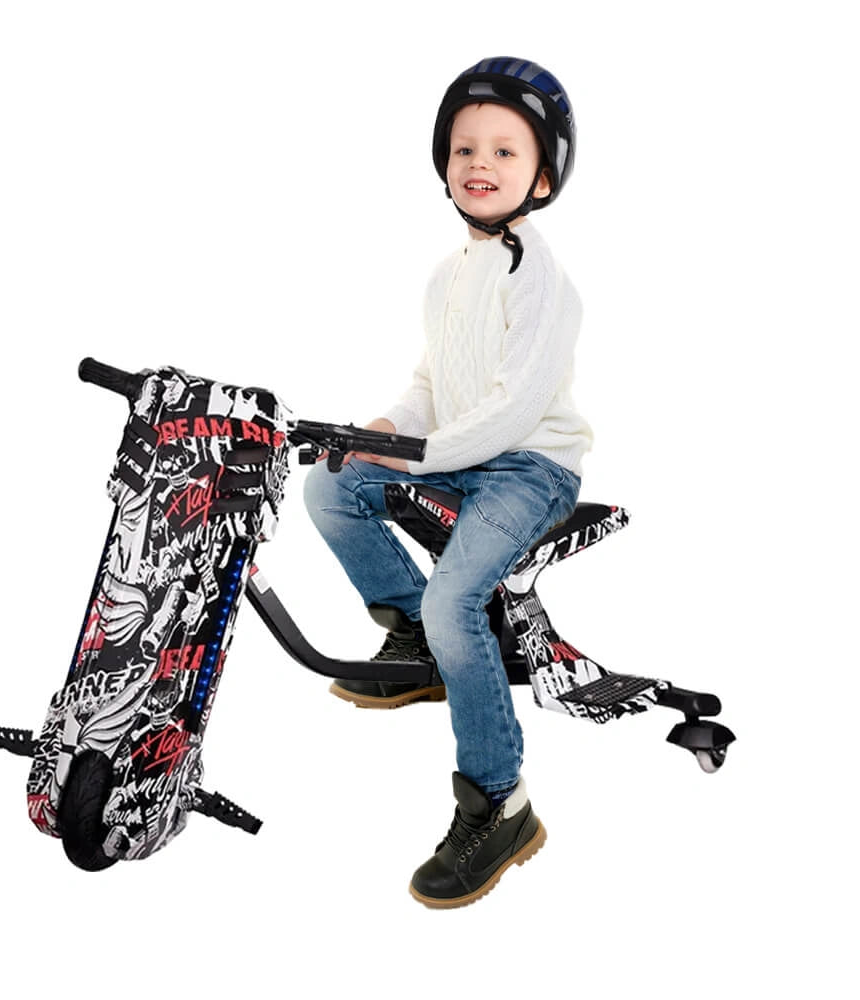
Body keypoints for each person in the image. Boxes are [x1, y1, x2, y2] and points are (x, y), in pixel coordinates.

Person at [303, 57, 593, 909]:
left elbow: (512, 412)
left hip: (531, 468)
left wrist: (419, 457)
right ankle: (419, 648)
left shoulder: (541, 279)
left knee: (454, 597)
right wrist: (387, 430)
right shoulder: (447, 273)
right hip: (461, 453)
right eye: (466, 146)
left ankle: (500, 802)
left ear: (542, 176)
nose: (481, 162)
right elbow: (434, 384)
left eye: (506, 151)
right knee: (332, 485)